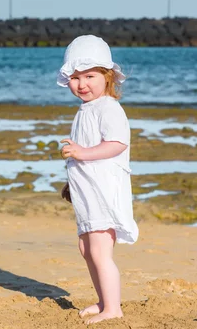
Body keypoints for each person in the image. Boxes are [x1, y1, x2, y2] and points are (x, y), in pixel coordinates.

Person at [57, 35, 139, 324]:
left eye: (90, 76)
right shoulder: (85, 110)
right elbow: (84, 153)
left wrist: (82, 152)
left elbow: (116, 144)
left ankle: (113, 308)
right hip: (87, 191)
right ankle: (105, 299)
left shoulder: (109, 109)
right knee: (86, 248)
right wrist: (73, 180)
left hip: (104, 191)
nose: (82, 84)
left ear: (107, 77)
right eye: (75, 77)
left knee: (100, 250)